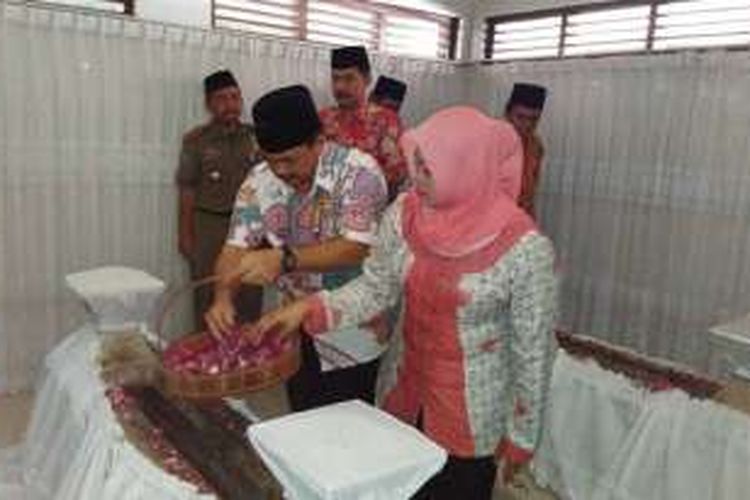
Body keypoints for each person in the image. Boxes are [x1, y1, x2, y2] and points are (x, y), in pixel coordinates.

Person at [254, 107, 558, 499]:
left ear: (468, 168)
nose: (416, 178)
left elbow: (533, 353)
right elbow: (376, 287)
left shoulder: (524, 249)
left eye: (428, 169)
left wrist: (522, 436)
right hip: (403, 390)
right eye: (415, 163)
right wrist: (310, 308)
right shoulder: (406, 214)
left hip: (471, 414)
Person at [205, 85, 389, 412]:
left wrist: (285, 259)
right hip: (290, 325)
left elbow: (356, 247)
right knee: (303, 415)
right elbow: (235, 246)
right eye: (272, 160)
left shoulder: (360, 173)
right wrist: (222, 296)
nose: (281, 171)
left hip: (352, 330)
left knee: (351, 433)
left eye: (290, 160)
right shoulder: (259, 180)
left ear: (318, 142)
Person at [176, 70, 263, 328]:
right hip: (209, 227)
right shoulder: (195, 141)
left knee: (249, 291)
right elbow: (187, 189)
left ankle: (247, 361)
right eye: (222, 98)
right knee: (209, 293)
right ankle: (208, 363)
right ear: (209, 104)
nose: (230, 104)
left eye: (235, 97)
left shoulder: (257, 137)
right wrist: (185, 235)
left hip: (249, 225)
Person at [320, 46, 407, 200]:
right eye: (335, 78)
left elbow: (398, 174)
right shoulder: (323, 118)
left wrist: (353, 186)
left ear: (367, 79)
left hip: (370, 210)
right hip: (325, 208)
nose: (339, 86)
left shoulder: (386, 121)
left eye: (348, 78)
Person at [505, 83, 548, 219]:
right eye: (521, 117)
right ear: (507, 114)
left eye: (534, 119)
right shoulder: (491, 141)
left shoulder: (536, 146)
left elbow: (530, 191)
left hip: (520, 217)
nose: (527, 125)